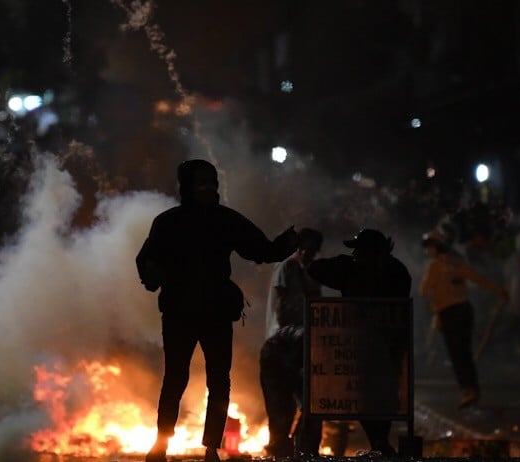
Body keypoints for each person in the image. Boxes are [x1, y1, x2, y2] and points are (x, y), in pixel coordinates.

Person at [136, 159, 298, 462]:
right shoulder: (169, 222)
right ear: (187, 187)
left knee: (219, 380)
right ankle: (161, 445)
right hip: (181, 312)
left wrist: (286, 244)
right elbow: (146, 259)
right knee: (175, 379)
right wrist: (153, 277)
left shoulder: (226, 220)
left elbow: (260, 250)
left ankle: (211, 448)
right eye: (202, 183)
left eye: (212, 183)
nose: (209, 189)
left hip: (214, 312)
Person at [306, 228, 412, 456]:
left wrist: (346, 264)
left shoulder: (353, 270)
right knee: (380, 396)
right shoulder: (397, 270)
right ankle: (380, 442)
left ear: (369, 252)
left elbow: (315, 268)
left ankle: (379, 442)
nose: (354, 255)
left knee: (368, 396)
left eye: (357, 251)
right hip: (385, 348)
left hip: (364, 346)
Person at [419, 229, 508, 409]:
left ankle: (469, 389)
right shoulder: (456, 262)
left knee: (458, 354)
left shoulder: (435, 266)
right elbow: (478, 279)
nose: (428, 250)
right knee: (463, 352)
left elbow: (423, 290)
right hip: (463, 311)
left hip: (450, 313)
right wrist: (499, 290)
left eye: (430, 247)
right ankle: (471, 388)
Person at [261, 228, 330, 457]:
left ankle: (300, 450)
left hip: (303, 343)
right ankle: (284, 449)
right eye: (305, 247)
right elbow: (282, 305)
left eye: (312, 249)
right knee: (284, 408)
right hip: (283, 343)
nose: (308, 252)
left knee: (311, 404)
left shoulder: (309, 270)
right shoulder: (287, 266)